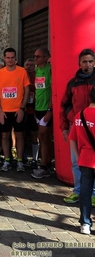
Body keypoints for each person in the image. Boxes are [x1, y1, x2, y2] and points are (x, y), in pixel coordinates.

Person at [60, 48, 95, 205]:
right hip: (77, 126)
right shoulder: (72, 83)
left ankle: (93, 194)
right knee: (76, 161)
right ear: (79, 63)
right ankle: (78, 191)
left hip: (94, 126)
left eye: (90, 61)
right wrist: (65, 126)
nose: (87, 64)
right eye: (84, 62)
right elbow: (64, 105)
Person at [0, 47, 30, 172]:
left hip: (18, 109)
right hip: (4, 110)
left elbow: (27, 91)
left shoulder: (22, 71)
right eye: (8, 58)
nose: (10, 60)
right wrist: (0, 111)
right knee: (4, 135)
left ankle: (19, 161)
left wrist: (22, 108)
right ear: (4, 58)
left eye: (12, 57)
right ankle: (7, 160)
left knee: (19, 135)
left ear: (15, 58)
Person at [69, 86, 95, 234]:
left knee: (85, 192)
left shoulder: (80, 115)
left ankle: (85, 223)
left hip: (84, 160)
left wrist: (78, 158)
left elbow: (72, 139)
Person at [31, 48, 53, 179]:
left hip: (46, 109)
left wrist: (50, 110)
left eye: (38, 57)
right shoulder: (37, 70)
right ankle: (47, 164)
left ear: (46, 57)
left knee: (43, 136)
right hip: (38, 108)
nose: (35, 59)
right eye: (34, 56)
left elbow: (53, 90)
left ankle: (44, 166)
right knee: (43, 137)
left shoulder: (49, 70)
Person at [23, 58, 40, 170]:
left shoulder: (37, 78)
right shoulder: (21, 76)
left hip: (34, 110)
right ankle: (22, 156)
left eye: (31, 65)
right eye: (27, 65)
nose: (29, 67)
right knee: (21, 134)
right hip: (22, 110)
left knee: (35, 135)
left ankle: (35, 158)